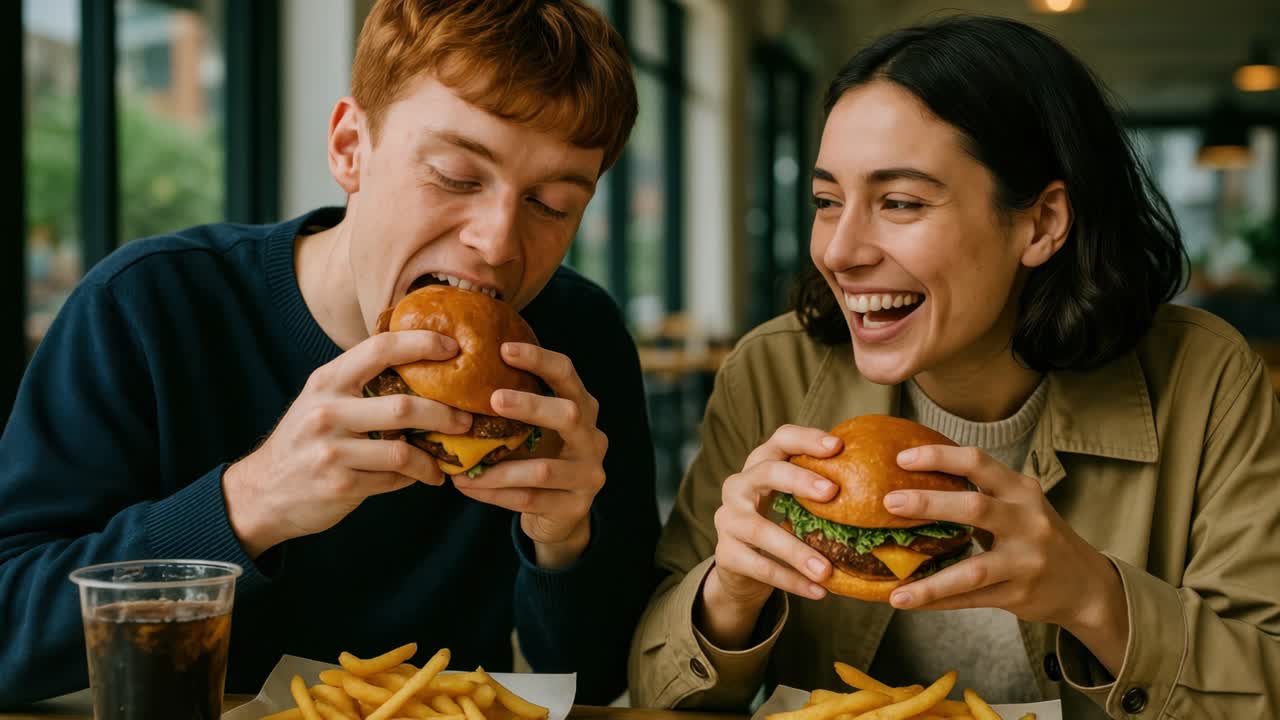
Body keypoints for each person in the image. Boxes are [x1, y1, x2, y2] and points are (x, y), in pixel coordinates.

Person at [0, 0, 659, 707]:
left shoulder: (575, 344)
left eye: (552, 204)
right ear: (350, 147)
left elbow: (605, 680)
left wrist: (565, 543)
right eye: (456, 176)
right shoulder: (147, 307)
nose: (498, 243)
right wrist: (249, 502)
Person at [629, 15, 1280, 719]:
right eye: (826, 201)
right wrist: (728, 596)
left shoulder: (1206, 378)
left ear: (1042, 223)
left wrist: (1094, 596)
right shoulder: (770, 373)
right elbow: (649, 688)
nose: (840, 251)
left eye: (900, 202)